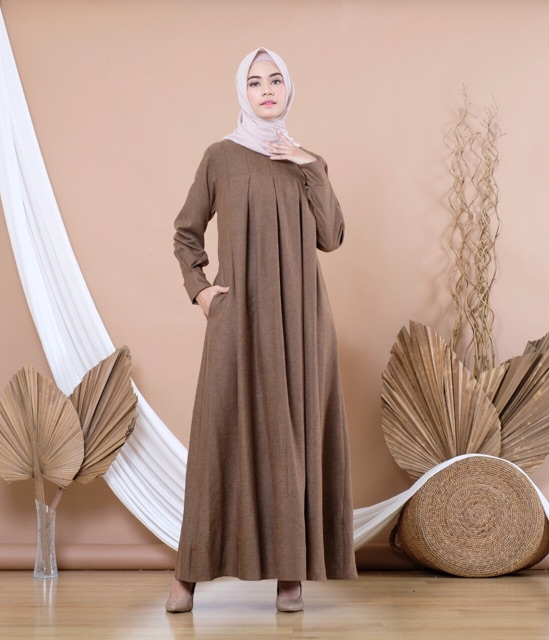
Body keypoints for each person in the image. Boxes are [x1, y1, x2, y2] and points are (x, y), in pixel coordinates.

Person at [167, 47, 357, 614]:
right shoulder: (220, 157)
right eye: (255, 82)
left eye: (275, 80)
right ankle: (189, 573)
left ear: (288, 89)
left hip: (301, 320)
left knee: (292, 437)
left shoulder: (307, 162)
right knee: (219, 436)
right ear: (242, 92)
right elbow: (186, 232)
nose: (266, 90)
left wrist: (309, 165)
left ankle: (289, 571)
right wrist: (201, 290)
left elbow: (332, 237)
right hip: (240, 317)